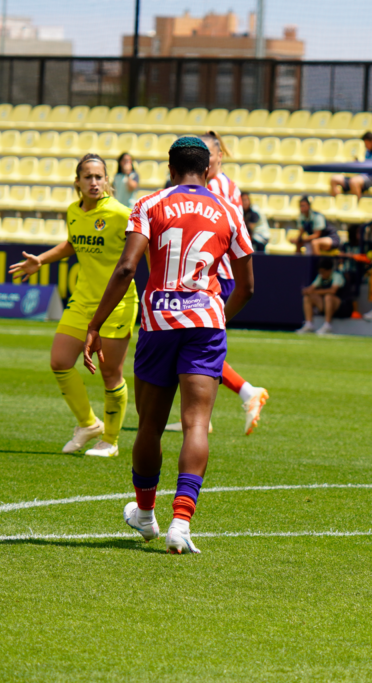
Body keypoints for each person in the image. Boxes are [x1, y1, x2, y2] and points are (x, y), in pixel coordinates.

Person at [82, 136, 255, 554]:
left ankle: (144, 515)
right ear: (208, 169)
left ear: (171, 167)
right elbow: (247, 287)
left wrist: (95, 324)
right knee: (196, 424)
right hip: (205, 325)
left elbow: (126, 267)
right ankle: (181, 523)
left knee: (150, 426)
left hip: (159, 322)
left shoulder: (149, 204)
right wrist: (215, 317)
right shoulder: (230, 209)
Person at [8, 153, 137, 458]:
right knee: (60, 361)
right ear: (77, 182)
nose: (94, 182)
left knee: (110, 374)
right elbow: (73, 243)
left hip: (118, 303)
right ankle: (88, 424)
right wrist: (41, 259)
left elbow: (144, 251)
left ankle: (110, 440)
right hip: (82, 301)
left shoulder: (121, 214)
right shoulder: (73, 212)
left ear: (107, 180)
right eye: (88, 177)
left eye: (99, 176)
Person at [162, 131, 269, 436]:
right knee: (196, 344)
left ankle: (247, 392)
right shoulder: (227, 186)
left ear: (218, 156)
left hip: (215, 275)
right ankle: (203, 415)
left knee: (192, 343)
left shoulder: (219, 188)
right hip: (213, 274)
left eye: (208, 153)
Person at [329, 131, 372, 199]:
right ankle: (338, 202)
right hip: (362, 176)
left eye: (367, 143)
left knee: (354, 182)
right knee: (334, 179)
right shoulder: (367, 152)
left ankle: (356, 205)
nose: (366, 146)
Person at [297, 257, 344, 336]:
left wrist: (314, 292)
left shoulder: (337, 276)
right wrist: (307, 291)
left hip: (341, 306)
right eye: (320, 272)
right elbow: (311, 288)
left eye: (323, 272)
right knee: (307, 298)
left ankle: (327, 326)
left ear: (329, 270)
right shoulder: (320, 277)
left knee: (328, 297)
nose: (322, 274)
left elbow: (332, 291)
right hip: (325, 305)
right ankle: (309, 325)